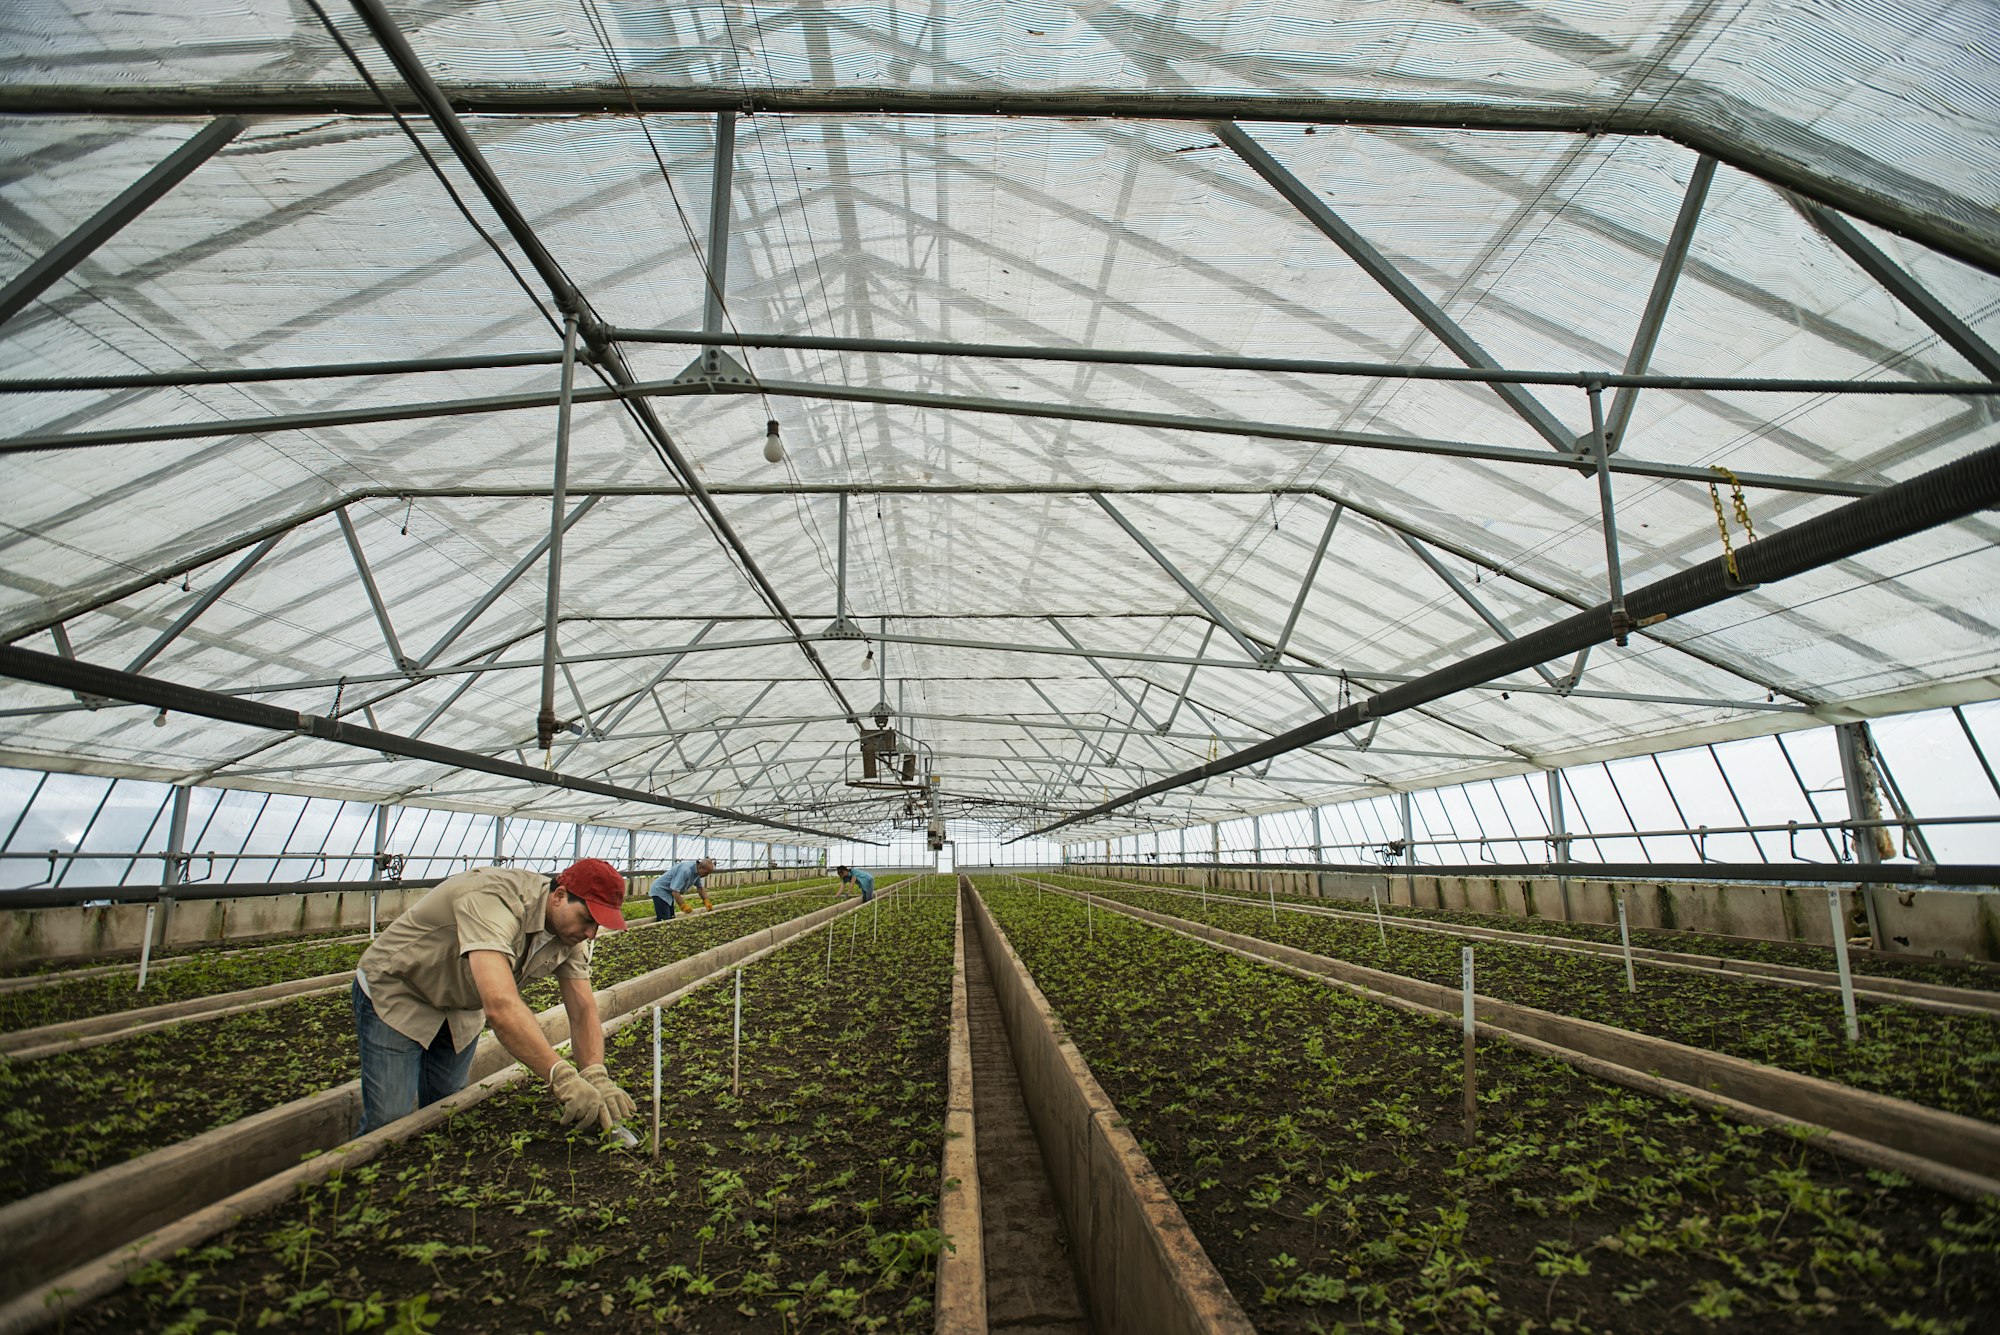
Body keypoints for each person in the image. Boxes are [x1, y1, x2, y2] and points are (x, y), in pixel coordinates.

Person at [350, 857, 637, 1136]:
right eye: (587, 920)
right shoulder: (494, 900)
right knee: (389, 1121)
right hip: (401, 991)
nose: (591, 934)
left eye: (598, 925)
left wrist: (595, 1074)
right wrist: (560, 1076)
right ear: (560, 896)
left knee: (447, 1108)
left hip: (461, 1005)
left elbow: (583, 1009)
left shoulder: (569, 935)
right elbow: (501, 1005)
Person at [651, 857, 717, 919]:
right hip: (660, 890)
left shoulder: (697, 872)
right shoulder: (685, 870)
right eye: (706, 873)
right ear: (700, 867)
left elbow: (700, 887)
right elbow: (675, 891)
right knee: (665, 919)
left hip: (668, 892)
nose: (706, 875)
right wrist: (683, 905)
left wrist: (706, 900)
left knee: (671, 917)